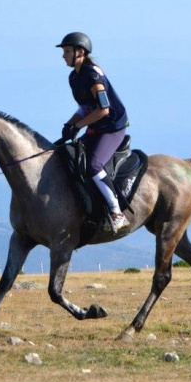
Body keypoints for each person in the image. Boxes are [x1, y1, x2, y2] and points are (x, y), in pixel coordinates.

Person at [56, 31, 130, 233]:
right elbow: (85, 107)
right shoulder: (74, 77)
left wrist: (78, 126)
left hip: (112, 127)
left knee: (94, 164)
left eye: (67, 51)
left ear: (80, 52)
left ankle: (117, 214)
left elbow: (103, 109)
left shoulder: (92, 75)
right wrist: (69, 125)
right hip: (96, 126)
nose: (64, 56)